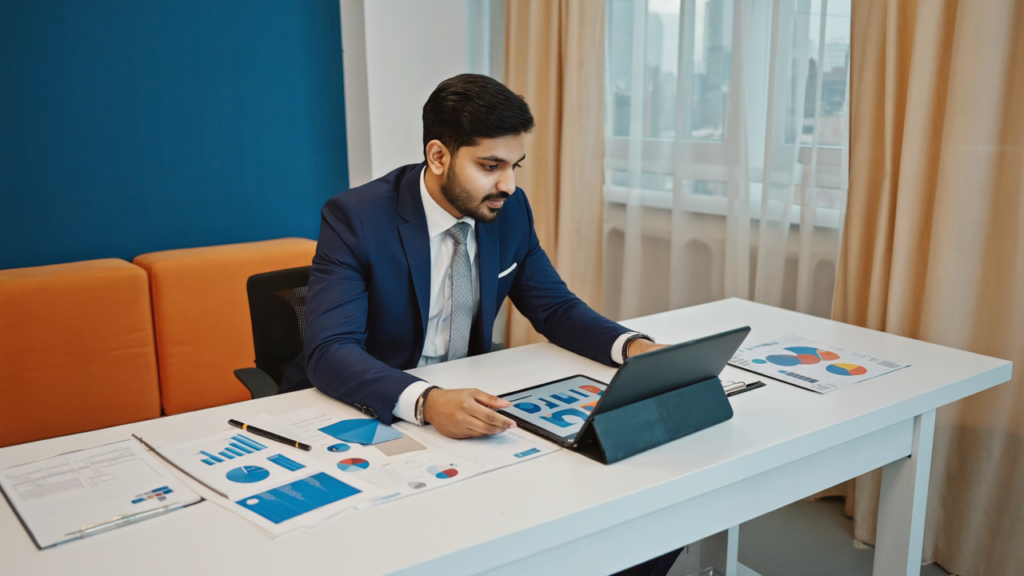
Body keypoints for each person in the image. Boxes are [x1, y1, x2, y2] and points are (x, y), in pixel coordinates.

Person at [280, 73, 665, 439]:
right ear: (438, 157)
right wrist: (427, 402)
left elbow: (555, 308)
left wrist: (633, 348)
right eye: (490, 166)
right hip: (369, 402)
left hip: (466, 396)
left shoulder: (508, 209)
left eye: (514, 166)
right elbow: (331, 350)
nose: (509, 185)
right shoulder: (357, 218)